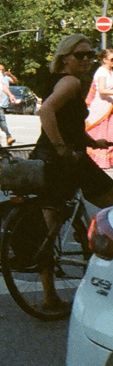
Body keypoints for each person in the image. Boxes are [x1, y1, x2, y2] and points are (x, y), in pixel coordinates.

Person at [33, 35, 113, 313]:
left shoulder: (58, 80)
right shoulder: (71, 82)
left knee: (50, 228)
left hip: (50, 159)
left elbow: (67, 122)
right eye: (80, 55)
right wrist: (62, 149)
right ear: (65, 57)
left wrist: (92, 142)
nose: (87, 60)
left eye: (90, 55)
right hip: (68, 161)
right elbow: (47, 112)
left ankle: (48, 296)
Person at [87, 49, 113, 169]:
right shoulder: (102, 72)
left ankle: (106, 160)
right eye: (112, 59)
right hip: (101, 106)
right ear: (104, 60)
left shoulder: (110, 71)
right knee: (98, 132)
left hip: (110, 107)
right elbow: (102, 90)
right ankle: (94, 159)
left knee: (110, 134)